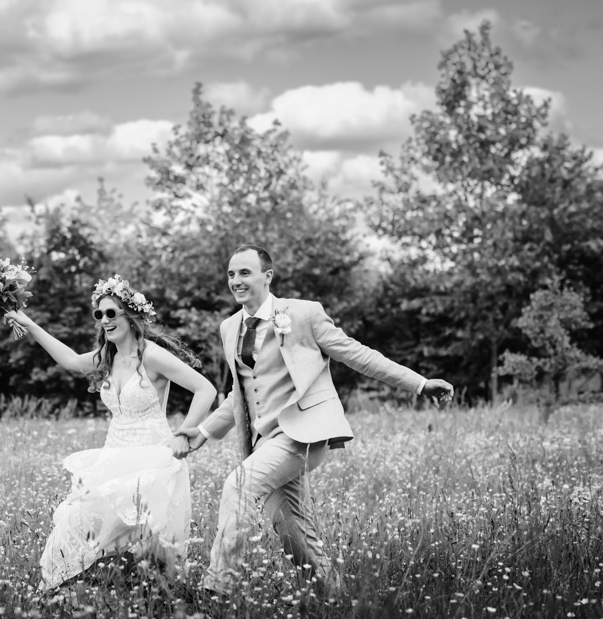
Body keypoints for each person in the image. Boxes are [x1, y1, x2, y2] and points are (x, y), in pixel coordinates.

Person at [175, 245, 454, 599]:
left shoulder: (303, 314)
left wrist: (419, 383)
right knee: (294, 531)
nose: (236, 281)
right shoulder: (230, 327)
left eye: (245, 272)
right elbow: (240, 394)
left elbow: (357, 354)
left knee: (239, 486)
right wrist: (201, 432)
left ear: (267, 276)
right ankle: (336, 600)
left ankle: (218, 589)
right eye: (231, 274)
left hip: (301, 435)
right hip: (265, 441)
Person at [4, 275, 217, 591]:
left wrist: (185, 434)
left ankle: (164, 597)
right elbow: (70, 360)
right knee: (76, 515)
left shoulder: (151, 355)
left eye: (111, 313)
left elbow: (205, 389)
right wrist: (28, 323)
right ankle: (82, 585)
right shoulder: (107, 357)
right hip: (114, 452)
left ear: (130, 317)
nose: (104, 320)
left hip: (153, 455)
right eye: (99, 314)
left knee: (152, 546)